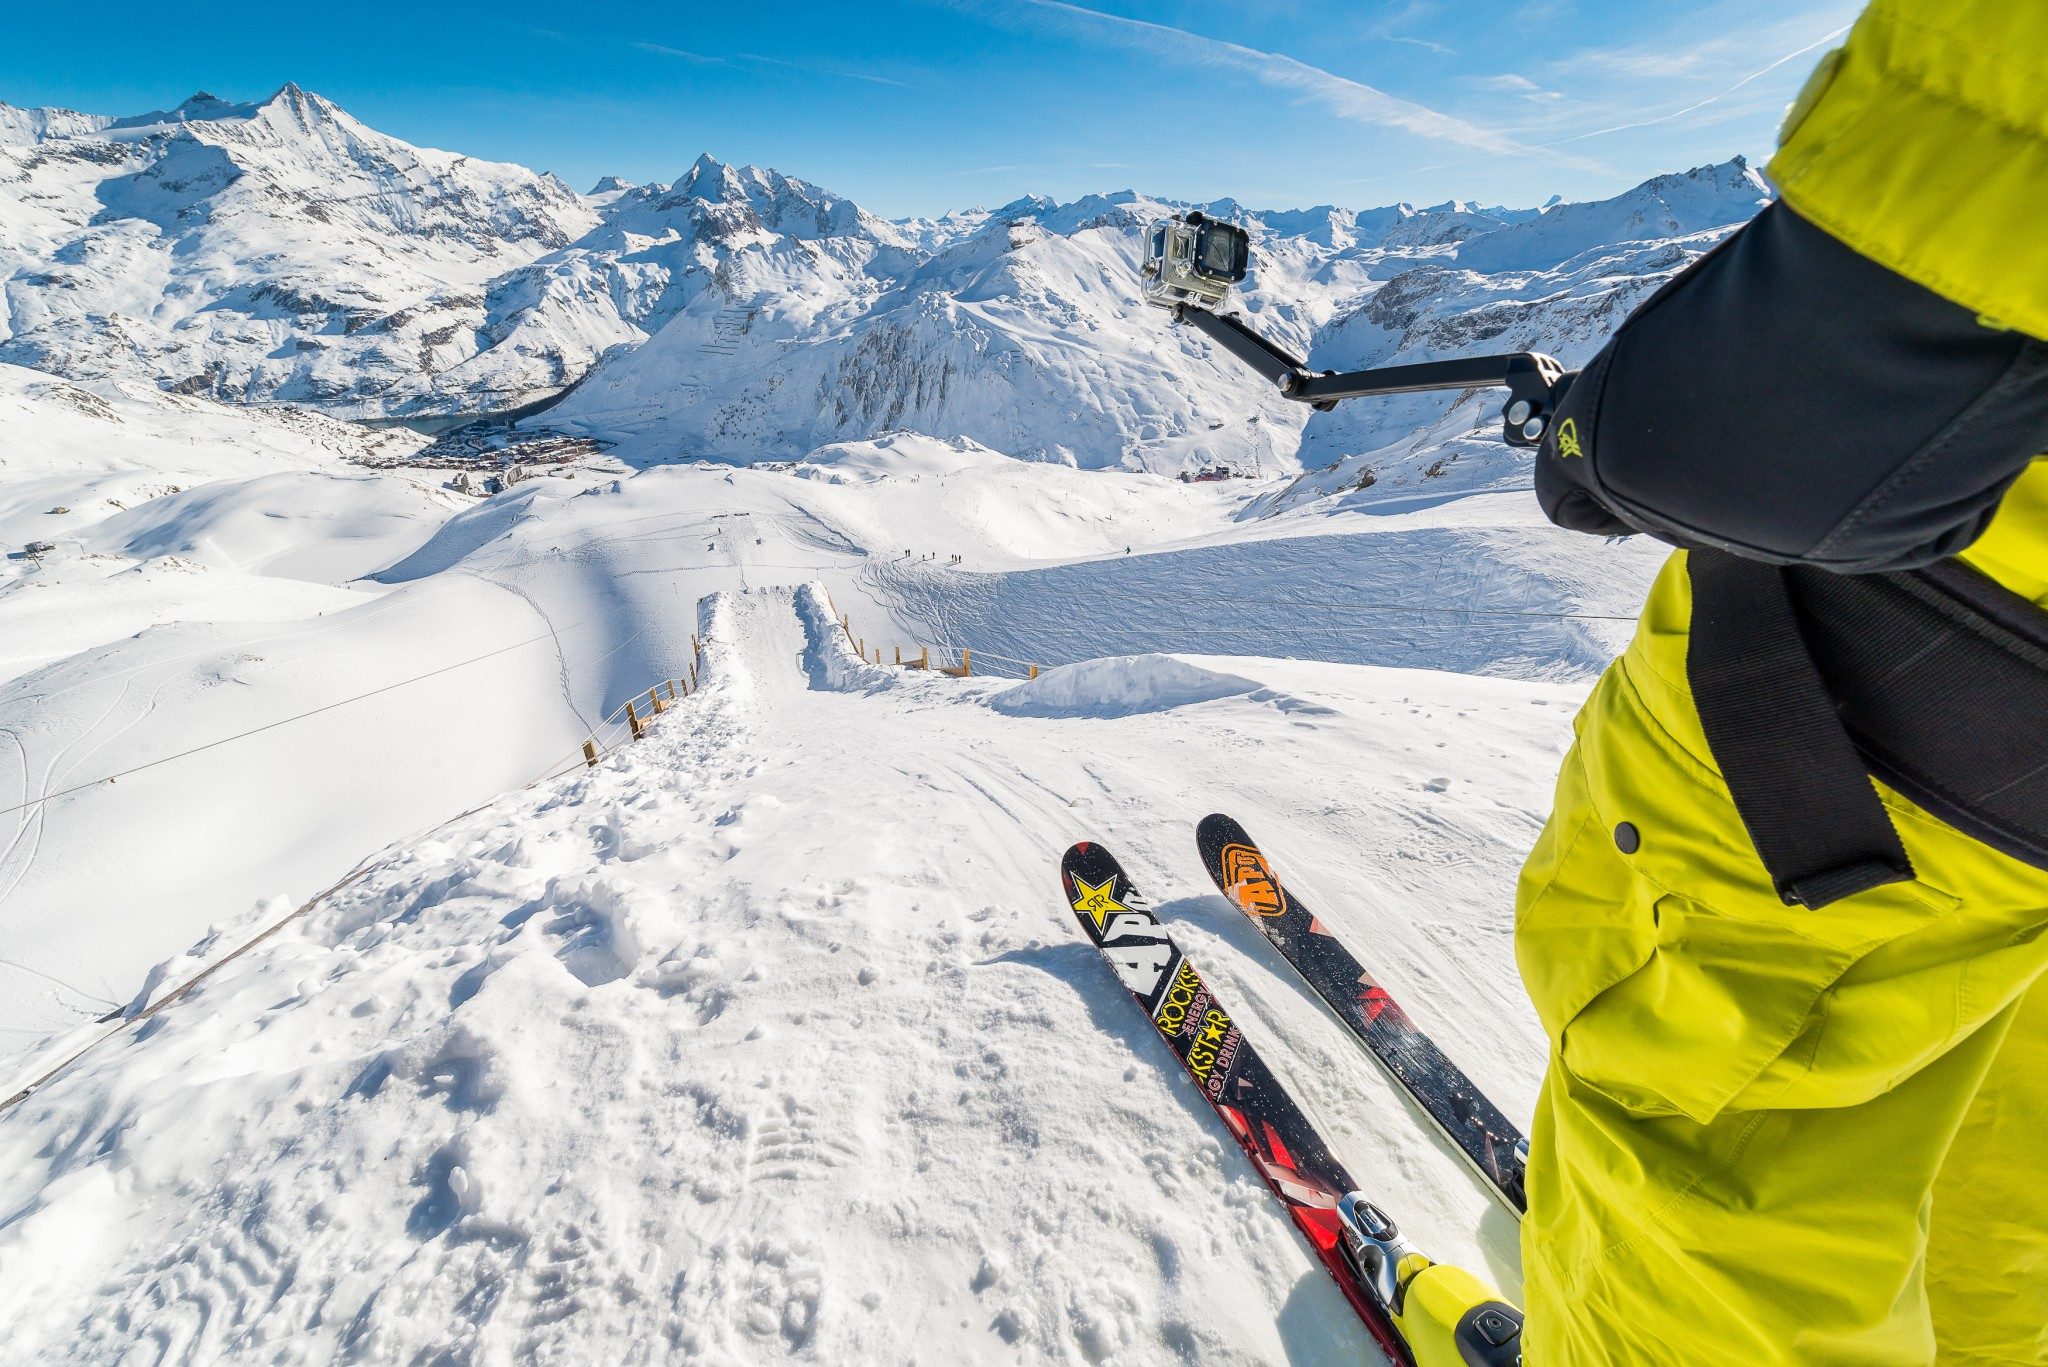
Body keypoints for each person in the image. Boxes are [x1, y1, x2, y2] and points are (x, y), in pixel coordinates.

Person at [1379, 3, 2048, 1361]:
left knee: (1708, 1149)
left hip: (1890, 702)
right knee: (1992, 1111)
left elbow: (1973, 182)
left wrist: (1621, 434)